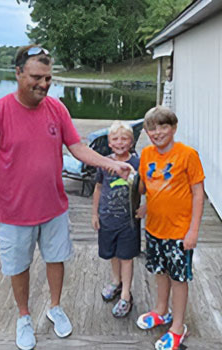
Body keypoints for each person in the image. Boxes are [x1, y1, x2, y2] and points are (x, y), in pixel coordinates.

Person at [0, 45, 131, 350]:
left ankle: (55, 307)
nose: (43, 84)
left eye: (48, 78)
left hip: (54, 207)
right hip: (13, 212)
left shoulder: (58, 109)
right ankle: (24, 316)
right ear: (18, 74)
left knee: (57, 260)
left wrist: (111, 163)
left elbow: (77, 148)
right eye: (36, 77)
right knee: (19, 266)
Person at [136, 106, 205, 350]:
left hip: (179, 233)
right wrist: (143, 205)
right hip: (154, 229)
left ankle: (178, 327)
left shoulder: (187, 155)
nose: (158, 132)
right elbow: (147, 185)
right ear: (146, 131)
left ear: (174, 128)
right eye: (152, 128)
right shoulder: (145, 154)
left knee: (179, 279)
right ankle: (161, 310)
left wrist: (193, 231)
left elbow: (198, 194)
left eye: (163, 126)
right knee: (160, 272)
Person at [92, 121, 141, 318]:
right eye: (115, 139)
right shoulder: (104, 162)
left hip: (129, 220)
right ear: (109, 143)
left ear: (131, 142)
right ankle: (115, 281)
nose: (120, 143)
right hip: (107, 218)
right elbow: (98, 188)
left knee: (126, 257)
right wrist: (94, 214)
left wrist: (145, 207)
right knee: (112, 253)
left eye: (124, 139)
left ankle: (126, 294)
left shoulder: (137, 163)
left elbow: (145, 188)